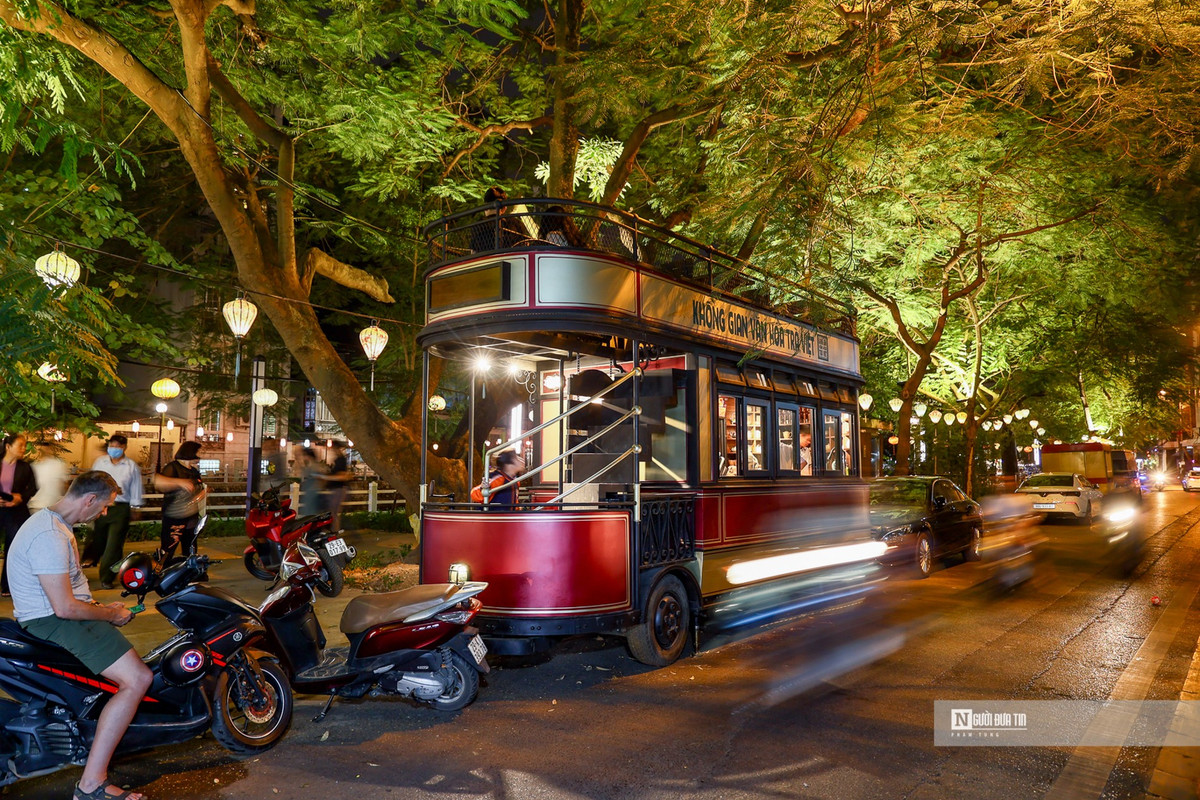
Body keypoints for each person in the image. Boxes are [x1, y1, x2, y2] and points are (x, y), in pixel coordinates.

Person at [7, 471, 153, 800]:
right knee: (138, 679)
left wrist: (100, 606)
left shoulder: (54, 525)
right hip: (53, 620)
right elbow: (64, 608)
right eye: (103, 507)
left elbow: (70, 595)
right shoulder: (49, 535)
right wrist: (111, 614)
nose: (103, 514)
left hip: (56, 614)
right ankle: (91, 785)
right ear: (89, 500)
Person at [84, 434, 145, 589]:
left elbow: (136, 488)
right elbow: (92, 482)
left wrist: (135, 507)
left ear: (124, 447)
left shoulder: (131, 466)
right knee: (98, 541)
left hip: (120, 508)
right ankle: (91, 563)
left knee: (114, 544)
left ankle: (107, 577)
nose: (114, 449)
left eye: (117, 446)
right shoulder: (100, 462)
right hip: (100, 505)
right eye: (112, 445)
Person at [153, 441, 206, 562]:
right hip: (175, 515)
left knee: (191, 545)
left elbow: (199, 488)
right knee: (169, 546)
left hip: (191, 515)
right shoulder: (173, 467)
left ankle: (190, 573)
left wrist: (202, 493)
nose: (201, 454)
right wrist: (180, 483)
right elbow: (159, 483)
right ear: (190, 451)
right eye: (199, 451)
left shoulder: (194, 471)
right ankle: (162, 570)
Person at [0, 432, 36, 597]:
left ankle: (7, 585)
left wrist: (20, 498)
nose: (24, 448)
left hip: (16, 512)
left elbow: (33, 488)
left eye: (25, 445)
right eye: (20, 445)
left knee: (14, 548)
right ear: (8, 446)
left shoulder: (25, 467)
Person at [469, 187, 525, 252]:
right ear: (504, 208)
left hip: (485, 260)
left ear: (485, 207)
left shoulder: (478, 225)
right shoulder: (516, 224)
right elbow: (524, 244)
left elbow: (473, 251)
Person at [319, 440, 354, 530]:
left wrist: (325, 477)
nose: (332, 450)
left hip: (338, 489)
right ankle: (334, 532)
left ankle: (334, 533)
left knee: (334, 513)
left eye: (333, 448)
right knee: (333, 512)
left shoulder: (341, 460)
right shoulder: (339, 459)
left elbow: (341, 476)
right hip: (337, 488)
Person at [28, 439, 69, 512]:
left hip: (45, 506)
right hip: (40, 506)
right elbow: (64, 487)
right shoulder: (33, 466)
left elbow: (63, 486)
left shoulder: (58, 465)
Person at [298, 447, 328, 516]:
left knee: (310, 513)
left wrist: (315, 488)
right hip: (310, 493)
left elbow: (321, 478)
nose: (303, 457)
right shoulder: (311, 466)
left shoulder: (314, 467)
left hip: (312, 494)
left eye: (304, 455)